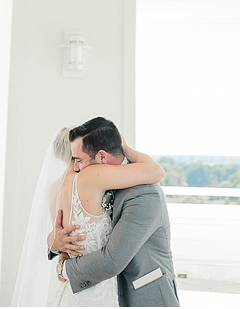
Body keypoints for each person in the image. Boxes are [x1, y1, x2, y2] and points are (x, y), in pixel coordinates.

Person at [11, 121, 165, 306]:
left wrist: (58, 257)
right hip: (99, 287)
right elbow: (155, 170)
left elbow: (62, 244)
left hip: (72, 288)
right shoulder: (92, 176)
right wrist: (124, 146)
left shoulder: (55, 189)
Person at [51, 117, 180, 307]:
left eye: (79, 160)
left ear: (102, 157)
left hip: (142, 296)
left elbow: (112, 260)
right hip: (104, 292)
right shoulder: (100, 183)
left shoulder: (144, 193)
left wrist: (64, 268)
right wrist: (56, 243)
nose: (76, 168)